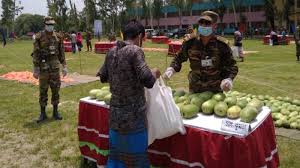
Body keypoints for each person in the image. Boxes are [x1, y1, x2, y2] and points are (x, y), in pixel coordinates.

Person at [97, 19, 160, 168]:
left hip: (115, 116)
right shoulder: (135, 50)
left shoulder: (111, 51)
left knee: (117, 156)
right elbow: (148, 80)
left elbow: (103, 77)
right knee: (136, 158)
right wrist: (155, 73)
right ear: (139, 36)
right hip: (134, 117)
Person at [163, 11, 238, 93]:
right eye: (201, 22)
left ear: (214, 26)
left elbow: (232, 66)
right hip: (195, 89)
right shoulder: (190, 42)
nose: (203, 25)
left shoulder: (221, 45)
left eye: (207, 23)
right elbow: (179, 58)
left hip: (215, 90)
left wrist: (228, 79)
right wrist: (171, 69)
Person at [32, 16, 68, 123]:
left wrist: (64, 66)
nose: (50, 26)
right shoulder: (39, 37)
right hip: (43, 68)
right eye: (49, 25)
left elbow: (61, 53)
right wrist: (36, 68)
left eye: (52, 24)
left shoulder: (58, 37)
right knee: (43, 90)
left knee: (55, 89)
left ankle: (55, 112)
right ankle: (43, 114)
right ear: (45, 24)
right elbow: (36, 54)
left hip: (55, 68)